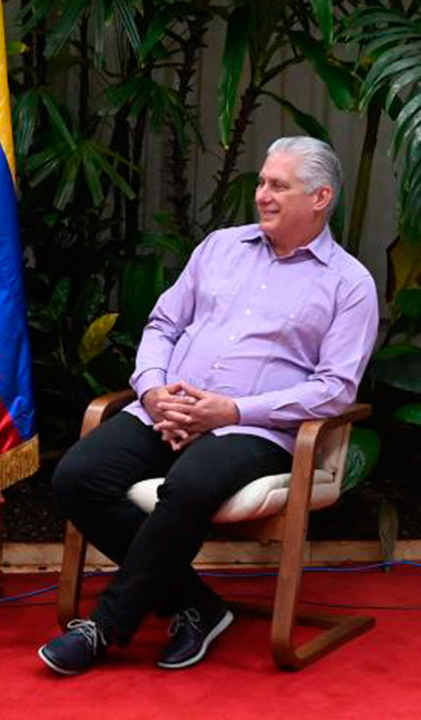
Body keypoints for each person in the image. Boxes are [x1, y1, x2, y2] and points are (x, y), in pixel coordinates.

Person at [37, 136, 379, 675]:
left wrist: (232, 411)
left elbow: (335, 388)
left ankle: (105, 627)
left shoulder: (349, 284)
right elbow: (163, 324)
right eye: (263, 182)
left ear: (320, 198)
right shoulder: (220, 247)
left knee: (191, 484)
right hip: (168, 407)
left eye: (278, 186)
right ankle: (197, 604)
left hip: (255, 429)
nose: (262, 194)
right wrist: (153, 391)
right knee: (76, 475)